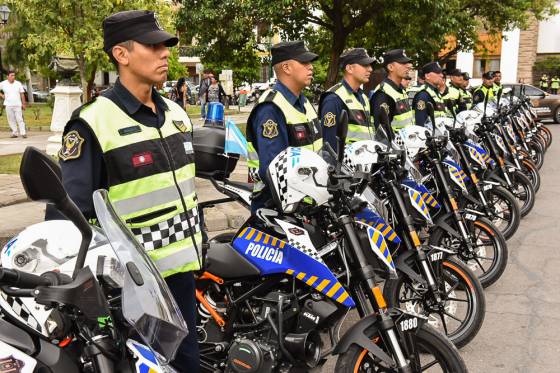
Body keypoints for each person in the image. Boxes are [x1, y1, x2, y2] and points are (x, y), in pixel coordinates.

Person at [46, 10, 202, 372]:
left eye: (165, 45)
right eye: (153, 45)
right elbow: (68, 216)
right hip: (132, 292)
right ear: (121, 54)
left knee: (188, 365)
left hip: (180, 280)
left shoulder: (177, 114)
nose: (165, 53)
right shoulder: (92, 123)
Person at [246, 41, 321, 212]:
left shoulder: (305, 103)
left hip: (310, 202)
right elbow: (274, 170)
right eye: (304, 62)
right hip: (278, 208)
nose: (311, 67)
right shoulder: (271, 108)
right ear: (286, 68)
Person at [319, 47, 374, 151]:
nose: (370, 69)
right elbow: (330, 146)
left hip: (366, 164)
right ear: (349, 68)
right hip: (346, 166)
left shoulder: (363, 97)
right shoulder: (334, 98)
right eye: (365, 65)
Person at [370, 49, 415, 133]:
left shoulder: (401, 90)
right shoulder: (383, 93)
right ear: (390, 67)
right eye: (403, 63)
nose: (408, 66)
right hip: (393, 145)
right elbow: (382, 132)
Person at [412, 61, 447, 127]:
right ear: (427, 76)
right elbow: (421, 123)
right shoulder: (423, 94)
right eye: (437, 73)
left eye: (441, 73)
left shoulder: (435, 92)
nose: (442, 75)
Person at [0, 71, 27, 138]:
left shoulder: (18, 83)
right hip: (8, 105)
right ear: (8, 76)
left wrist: (23, 104)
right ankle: (15, 133)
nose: (13, 77)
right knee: (11, 120)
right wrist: (2, 95)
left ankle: (23, 133)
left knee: (20, 119)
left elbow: (22, 94)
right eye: (12, 75)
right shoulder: (3, 83)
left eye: (14, 75)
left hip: (17, 105)